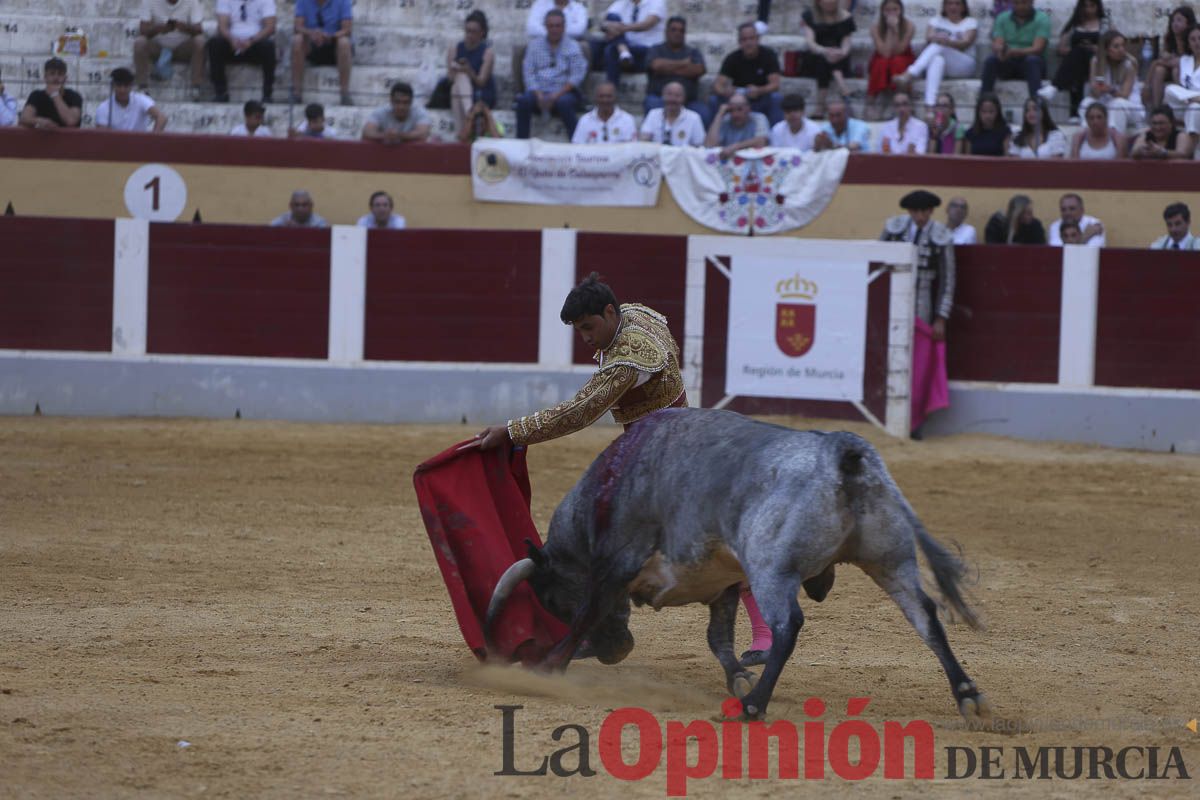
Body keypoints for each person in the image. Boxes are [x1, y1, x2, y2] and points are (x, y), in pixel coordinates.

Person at [468, 274, 772, 664]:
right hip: (666, 445)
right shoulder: (636, 316)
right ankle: (613, 627)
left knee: (618, 536)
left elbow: (580, 411)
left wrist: (513, 431)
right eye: (579, 331)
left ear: (609, 312)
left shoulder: (629, 359)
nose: (586, 339)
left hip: (665, 461)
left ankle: (613, 630)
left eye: (589, 327)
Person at [881, 190, 955, 439]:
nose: (921, 216)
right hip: (891, 302)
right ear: (909, 212)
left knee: (920, 369)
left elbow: (948, 280)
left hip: (922, 306)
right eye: (916, 211)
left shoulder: (941, 236)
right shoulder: (893, 230)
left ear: (931, 211)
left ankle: (915, 425)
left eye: (925, 211)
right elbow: (877, 263)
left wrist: (941, 317)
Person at [516, 8, 588, 140]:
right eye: (551, 26)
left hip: (564, 92)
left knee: (564, 103)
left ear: (564, 27)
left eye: (558, 26)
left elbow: (577, 76)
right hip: (539, 91)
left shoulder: (573, 46)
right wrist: (539, 95)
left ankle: (578, 143)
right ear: (546, 27)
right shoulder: (534, 45)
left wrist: (555, 95)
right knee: (523, 101)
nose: (554, 29)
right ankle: (521, 143)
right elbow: (528, 73)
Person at [894, 0, 977, 111]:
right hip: (944, 62)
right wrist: (939, 40)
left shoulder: (970, 22)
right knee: (937, 59)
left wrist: (947, 41)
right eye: (950, 3)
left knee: (940, 45)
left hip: (965, 64)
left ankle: (910, 74)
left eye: (957, 4)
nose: (953, 7)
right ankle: (930, 106)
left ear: (963, 7)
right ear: (944, 6)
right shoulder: (936, 21)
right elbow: (929, 38)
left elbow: (965, 43)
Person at [709, 22, 784, 127]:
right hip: (737, 101)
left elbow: (775, 84)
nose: (748, 43)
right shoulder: (733, 58)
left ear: (757, 39)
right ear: (739, 42)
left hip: (760, 99)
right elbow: (718, 85)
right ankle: (714, 137)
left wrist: (759, 90)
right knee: (714, 100)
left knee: (776, 98)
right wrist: (726, 92)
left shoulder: (768, 55)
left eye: (751, 38)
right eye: (744, 39)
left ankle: (774, 137)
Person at [1037, 0, 1104, 116]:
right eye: (1085, 6)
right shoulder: (1075, 24)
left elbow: (1112, 46)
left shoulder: (1105, 24)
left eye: (1092, 6)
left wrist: (1095, 48)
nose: (1088, 10)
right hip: (1076, 62)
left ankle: (1054, 87)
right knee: (1078, 55)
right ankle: (1074, 113)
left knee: (1080, 54)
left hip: (1096, 62)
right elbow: (1060, 48)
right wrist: (1077, 49)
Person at [133, 0, 207, 101]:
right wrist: (158, 29)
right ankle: (142, 87)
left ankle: (196, 87)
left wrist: (184, 27)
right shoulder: (149, 1)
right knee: (140, 43)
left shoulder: (192, 2)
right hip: (158, 47)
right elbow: (143, 30)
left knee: (200, 42)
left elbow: (199, 30)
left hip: (182, 47)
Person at [208, 0, 277, 103]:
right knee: (214, 44)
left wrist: (251, 41)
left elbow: (270, 27)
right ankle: (221, 93)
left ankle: (267, 94)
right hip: (232, 43)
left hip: (255, 43)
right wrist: (232, 40)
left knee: (268, 46)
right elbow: (222, 26)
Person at [980, 0, 1051, 100]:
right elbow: (997, 42)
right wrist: (1000, 50)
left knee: (1032, 61)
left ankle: (1036, 105)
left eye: (1024, 2)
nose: (1020, 6)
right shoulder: (1002, 17)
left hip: (1031, 63)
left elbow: (1038, 48)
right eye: (1017, 3)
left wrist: (1013, 51)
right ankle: (983, 102)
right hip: (1008, 61)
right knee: (991, 61)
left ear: (1032, 2)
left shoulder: (1042, 18)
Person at [643, 16, 708, 124]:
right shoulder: (655, 49)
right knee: (651, 103)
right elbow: (656, 66)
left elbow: (698, 70)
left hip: (688, 102)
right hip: (660, 100)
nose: (677, 33)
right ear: (666, 32)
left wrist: (666, 68)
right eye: (673, 30)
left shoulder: (693, 52)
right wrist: (683, 63)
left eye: (681, 31)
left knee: (704, 113)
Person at [797, 0, 855, 117]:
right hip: (817, 54)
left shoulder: (846, 17)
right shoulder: (810, 16)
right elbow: (811, 43)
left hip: (839, 56)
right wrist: (826, 51)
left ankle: (820, 106)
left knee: (828, 60)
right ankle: (843, 87)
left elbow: (846, 43)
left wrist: (841, 52)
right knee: (823, 60)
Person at [291, 0, 354, 106]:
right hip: (312, 45)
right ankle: (296, 92)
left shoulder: (343, 1)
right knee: (297, 40)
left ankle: (344, 93)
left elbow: (347, 29)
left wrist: (329, 36)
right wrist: (312, 33)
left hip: (333, 45)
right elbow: (297, 27)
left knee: (344, 42)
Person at [1078, 30, 1143, 134]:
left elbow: (1125, 95)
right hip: (1105, 104)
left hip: (1129, 106)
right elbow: (1094, 92)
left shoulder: (1129, 65)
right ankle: (1087, 138)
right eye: (1116, 47)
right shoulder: (1096, 62)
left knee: (1117, 104)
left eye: (1123, 45)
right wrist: (1099, 89)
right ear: (1106, 50)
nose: (1121, 49)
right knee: (1086, 103)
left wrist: (1110, 90)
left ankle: (1113, 141)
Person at [594, 0, 666, 87]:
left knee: (611, 49)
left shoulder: (656, 2)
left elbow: (648, 24)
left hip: (647, 51)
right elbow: (604, 21)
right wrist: (606, 27)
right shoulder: (622, 3)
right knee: (611, 18)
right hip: (628, 50)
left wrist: (622, 28)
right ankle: (623, 50)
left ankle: (622, 51)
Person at [447, 10, 496, 135]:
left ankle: (463, 129)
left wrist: (469, 71)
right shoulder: (455, 49)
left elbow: (481, 81)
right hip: (460, 90)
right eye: (467, 31)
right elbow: (450, 79)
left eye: (473, 32)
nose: (469, 35)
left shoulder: (487, 53)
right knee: (458, 81)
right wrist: (454, 69)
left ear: (482, 33)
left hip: (481, 92)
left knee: (461, 79)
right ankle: (469, 119)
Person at [866, 0, 915, 117]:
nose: (891, 13)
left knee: (898, 61)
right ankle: (870, 103)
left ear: (901, 10)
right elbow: (885, 53)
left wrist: (896, 30)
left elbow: (900, 50)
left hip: (903, 56)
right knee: (881, 63)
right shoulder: (875, 28)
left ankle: (902, 101)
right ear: (882, 12)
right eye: (888, 10)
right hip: (882, 56)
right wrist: (889, 29)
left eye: (895, 9)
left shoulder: (909, 25)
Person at [1143, 6, 1196, 110]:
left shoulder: (1192, 38)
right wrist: (1146, 85)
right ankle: (1157, 108)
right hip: (1169, 69)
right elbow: (1160, 61)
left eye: (1179, 20)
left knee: (1176, 70)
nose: (1175, 24)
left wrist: (1169, 60)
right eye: (1173, 21)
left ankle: (1182, 102)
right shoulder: (1169, 38)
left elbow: (1181, 62)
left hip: (1187, 72)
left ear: (1188, 23)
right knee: (1159, 70)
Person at [95, 68, 168, 132]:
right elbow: (102, 134)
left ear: (131, 86)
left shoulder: (141, 100)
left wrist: (153, 139)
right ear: (113, 86)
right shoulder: (104, 108)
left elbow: (161, 117)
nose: (122, 90)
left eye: (126, 86)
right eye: (119, 85)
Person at [18, 57, 82, 130]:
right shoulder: (36, 95)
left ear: (65, 78)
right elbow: (24, 119)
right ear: (45, 77)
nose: (56, 77)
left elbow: (71, 121)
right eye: (52, 73)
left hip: (68, 141)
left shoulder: (74, 96)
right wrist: (39, 121)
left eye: (60, 74)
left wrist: (55, 95)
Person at [639, 81, 706, 146]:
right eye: (669, 94)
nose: (673, 99)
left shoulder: (694, 118)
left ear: (684, 98)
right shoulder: (653, 114)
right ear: (662, 96)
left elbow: (699, 145)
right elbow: (644, 140)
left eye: (677, 95)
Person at [362, 82, 431, 144]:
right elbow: (367, 132)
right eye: (397, 102)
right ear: (391, 101)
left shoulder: (420, 112)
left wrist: (398, 136)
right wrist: (385, 136)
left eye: (405, 102)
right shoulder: (381, 111)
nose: (401, 107)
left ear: (411, 102)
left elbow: (423, 134)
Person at [705, 93, 770, 159]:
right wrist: (719, 114)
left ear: (748, 108)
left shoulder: (759, 118)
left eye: (740, 109)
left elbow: (762, 142)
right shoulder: (725, 120)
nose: (735, 114)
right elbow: (709, 146)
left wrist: (735, 147)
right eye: (731, 110)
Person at [1165, 26, 1200, 142]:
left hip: (1195, 106)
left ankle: (1192, 145)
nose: (1197, 43)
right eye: (1193, 39)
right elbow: (1180, 88)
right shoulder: (1184, 60)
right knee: (1170, 89)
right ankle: (1194, 99)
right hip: (1185, 103)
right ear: (1188, 43)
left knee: (1194, 109)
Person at [572, 81, 637, 144]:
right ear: (596, 97)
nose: (605, 100)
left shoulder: (627, 120)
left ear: (615, 97)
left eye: (609, 96)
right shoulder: (585, 120)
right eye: (601, 96)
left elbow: (632, 148)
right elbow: (577, 147)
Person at [1129, 105, 1195, 160]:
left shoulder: (1181, 136)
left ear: (1171, 123)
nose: (1157, 127)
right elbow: (1133, 153)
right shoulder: (1146, 135)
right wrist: (1141, 151)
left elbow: (1183, 155)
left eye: (1161, 123)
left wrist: (1163, 152)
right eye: (1154, 123)